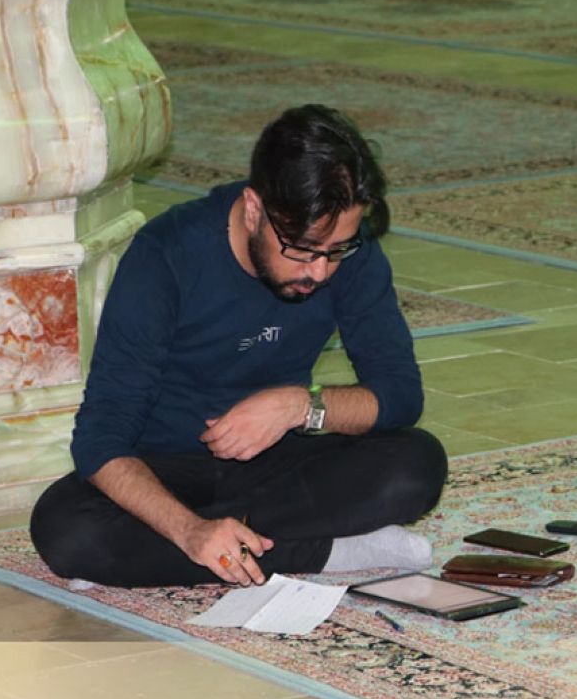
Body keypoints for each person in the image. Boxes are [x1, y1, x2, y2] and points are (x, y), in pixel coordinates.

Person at [30, 104, 447, 588]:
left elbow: (399, 393)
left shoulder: (350, 255)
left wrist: (300, 406)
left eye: (335, 250)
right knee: (65, 529)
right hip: (166, 473)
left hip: (277, 469)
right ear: (254, 210)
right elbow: (100, 438)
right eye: (302, 249)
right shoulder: (166, 255)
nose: (319, 271)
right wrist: (188, 530)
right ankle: (320, 550)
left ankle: (170, 555)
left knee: (416, 466)